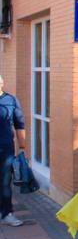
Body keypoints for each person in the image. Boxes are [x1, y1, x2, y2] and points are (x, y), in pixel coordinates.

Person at [0, 75, 25, 227]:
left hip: (5, 149)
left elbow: (19, 124)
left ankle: (7, 214)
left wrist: (22, 148)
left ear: (2, 83)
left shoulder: (10, 100)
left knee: (5, 182)